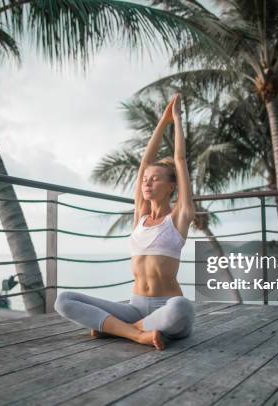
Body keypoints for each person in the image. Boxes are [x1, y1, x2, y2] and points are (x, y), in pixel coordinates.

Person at [54, 93, 196, 351]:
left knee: (182, 307)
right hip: (135, 306)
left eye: (155, 179)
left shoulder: (179, 216)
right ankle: (136, 333)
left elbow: (180, 160)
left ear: (171, 187)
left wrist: (175, 121)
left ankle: (117, 329)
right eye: (145, 180)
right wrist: (161, 122)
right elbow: (143, 164)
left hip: (168, 309)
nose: (147, 182)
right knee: (63, 300)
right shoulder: (140, 217)